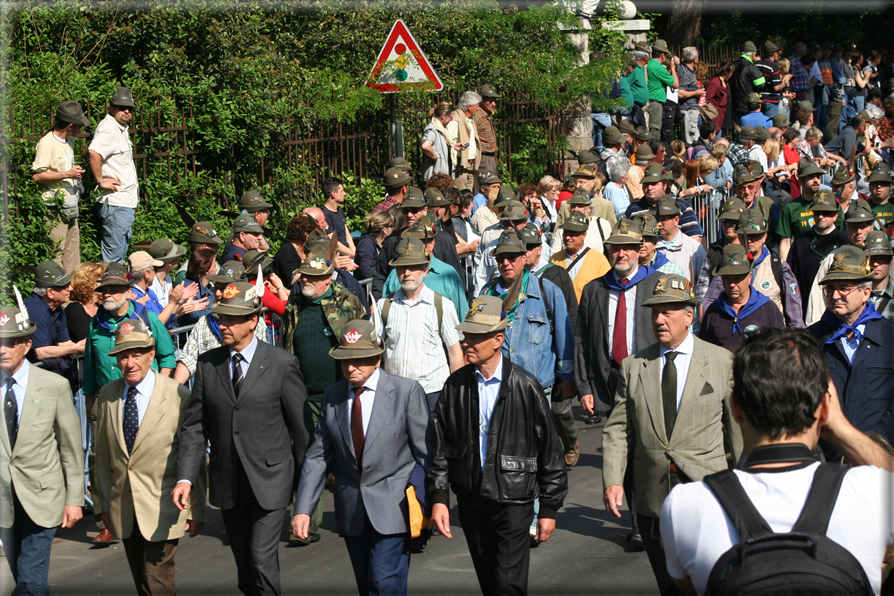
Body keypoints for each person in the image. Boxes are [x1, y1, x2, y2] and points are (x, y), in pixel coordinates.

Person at [661, 327, 894, 596]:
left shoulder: (685, 505)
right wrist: (840, 427)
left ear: (736, 408)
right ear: (824, 408)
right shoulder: (869, 492)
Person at [602, 274, 743, 596]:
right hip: (653, 498)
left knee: (713, 582)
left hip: (707, 490)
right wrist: (612, 479)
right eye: (655, 312)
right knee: (669, 584)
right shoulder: (634, 365)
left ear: (689, 315)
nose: (659, 319)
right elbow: (618, 429)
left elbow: (737, 431)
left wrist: (743, 485)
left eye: (667, 312)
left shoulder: (721, 362)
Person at [173, 281, 310, 596]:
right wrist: (185, 478)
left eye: (232, 319)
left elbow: (302, 434)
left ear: (253, 320)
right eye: (221, 317)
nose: (224, 325)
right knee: (245, 571)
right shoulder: (208, 365)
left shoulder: (281, 364)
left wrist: (305, 495)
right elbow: (195, 427)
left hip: (271, 481)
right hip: (229, 484)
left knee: (262, 559)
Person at [429, 295, 568, 595]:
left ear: (497, 339)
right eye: (465, 335)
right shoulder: (455, 387)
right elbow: (438, 447)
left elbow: (551, 454)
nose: (467, 343)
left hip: (514, 501)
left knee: (508, 584)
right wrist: (439, 496)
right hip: (471, 501)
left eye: (475, 337)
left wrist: (549, 508)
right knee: (490, 584)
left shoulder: (525, 386)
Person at [92, 318, 205, 595]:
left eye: (136, 354)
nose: (130, 363)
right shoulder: (107, 395)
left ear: (152, 354)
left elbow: (193, 454)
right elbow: (102, 456)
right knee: (143, 583)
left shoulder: (176, 394)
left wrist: (197, 507)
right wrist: (102, 506)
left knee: (157, 582)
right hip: (124, 509)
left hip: (164, 508)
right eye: (122, 356)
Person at [0, 303, 83, 595]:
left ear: (27, 344)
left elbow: (71, 450)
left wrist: (74, 499)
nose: (3, 349)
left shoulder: (53, 386)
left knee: (29, 581)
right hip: (5, 505)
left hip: (43, 500)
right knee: (25, 577)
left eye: (10, 342)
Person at [807, 245, 894, 458]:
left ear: (865, 293)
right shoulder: (810, 340)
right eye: (830, 289)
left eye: (844, 287)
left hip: (880, 460)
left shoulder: (889, 335)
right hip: (829, 462)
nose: (835, 296)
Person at [82, 263, 177, 440]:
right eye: (105, 290)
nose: (108, 294)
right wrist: (90, 406)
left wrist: (161, 389)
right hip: (108, 401)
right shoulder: (95, 324)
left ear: (127, 291)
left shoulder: (146, 317)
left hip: (145, 399)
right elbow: (89, 369)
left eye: (114, 290)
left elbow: (167, 356)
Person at [373, 236, 463, 411]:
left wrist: (456, 394)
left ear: (425, 271)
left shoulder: (443, 305)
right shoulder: (383, 306)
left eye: (413, 267)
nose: (407, 273)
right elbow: (374, 352)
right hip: (394, 393)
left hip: (432, 393)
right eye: (402, 268)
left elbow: (455, 353)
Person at [173, 261, 270, 385]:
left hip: (249, 389)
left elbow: (264, 359)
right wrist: (174, 388)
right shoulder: (204, 323)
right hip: (214, 390)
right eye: (216, 288)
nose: (218, 293)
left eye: (224, 289)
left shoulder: (254, 323)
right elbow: (189, 359)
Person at [31, 100, 89, 273]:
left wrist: (73, 173)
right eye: (78, 126)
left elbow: (62, 168)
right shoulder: (47, 143)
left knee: (72, 254)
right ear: (70, 125)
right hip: (54, 207)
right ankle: (57, 294)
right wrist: (67, 174)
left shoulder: (68, 140)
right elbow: (37, 175)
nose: (80, 130)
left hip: (69, 204)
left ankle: (72, 294)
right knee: (57, 253)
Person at [804, 199, 877, 325]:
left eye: (863, 226)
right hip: (840, 327)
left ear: (872, 226)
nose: (859, 232)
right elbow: (817, 300)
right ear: (846, 228)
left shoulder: (885, 258)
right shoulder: (834, 258)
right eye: (854, 227)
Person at [700, 244, 785, 352]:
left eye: (737, 278)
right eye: (727, 279)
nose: (732, 284)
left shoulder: (767, 309)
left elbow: (781, 350)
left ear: (749, 277)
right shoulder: (713, 312)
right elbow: (705, 353)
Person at [88, 86, 139, 263]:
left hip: (124, 203)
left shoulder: (120, 128)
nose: (126, 111)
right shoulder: (109, 129)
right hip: (116, 204)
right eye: (121, 107)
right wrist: (100, 180)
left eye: (130, 108)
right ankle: (109, 289)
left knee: (118, 255)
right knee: (113, 259)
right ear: (111, 108)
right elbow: (94, 152)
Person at [383, 216, 468, 322]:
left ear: (431, 244)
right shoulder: (395, 275)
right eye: (412, 242)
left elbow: (461, 316)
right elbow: (385, 314)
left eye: (420, 242)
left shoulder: (448, 274)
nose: (415, 247)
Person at [786, 188, 849, 311]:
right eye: (816, 212)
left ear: (835, 216)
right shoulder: (801, 242)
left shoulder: (845, 241)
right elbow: (791, 279)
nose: (821, 216)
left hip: (840, 305)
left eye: (826, 212)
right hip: (808, 306)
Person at [24, 261, 84, 383]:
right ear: (50, 293)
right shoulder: (34, 309)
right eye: (65, 286)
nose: (71, 288)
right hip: (32, 378)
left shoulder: (57, 308)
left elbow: (64, 343)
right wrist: (76, 348)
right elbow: (41, 352)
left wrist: (86, 345)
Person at [624, 164, 705, 241]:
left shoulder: (681, 206)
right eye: (646, 184)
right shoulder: (633, 208)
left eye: (654, 184)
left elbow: (694, 238)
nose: (649, 188)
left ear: (665, 185)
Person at [548, 211, 611, 301]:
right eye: (565, 233)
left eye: (572, 234)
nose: (567, 237)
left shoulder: (599, 260)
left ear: (584, 235)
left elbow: (606, 292)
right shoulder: (555, 259)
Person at [778, 158, 828, 261]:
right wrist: (784, 270)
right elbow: (785, 243)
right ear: (800, 180)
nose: (816, 180)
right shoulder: (790, 208)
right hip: (803, 259)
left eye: (818, 177)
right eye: (810, 177)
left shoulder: (830, 204)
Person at [634, 213, 687, 277]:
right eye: (637, 240)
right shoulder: (625, 269)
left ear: (655, 243)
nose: (641, 244)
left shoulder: (673, 271)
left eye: (646, 240)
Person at [645, 40, 679, 138]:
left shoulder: (650, 64)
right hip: (655, 104)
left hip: (650, 102)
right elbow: (675, 84)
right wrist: (673, 68)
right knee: (654, 132)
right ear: (663, 55)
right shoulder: (659, 68)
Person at [731, 42, 768, 124]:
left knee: (739, 130)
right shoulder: (751, 67)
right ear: (753, 53)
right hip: (748, 104)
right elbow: (761, 85)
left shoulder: (733, 64)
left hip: (735, 103)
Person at [452, 91, 482, 192]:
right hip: (461, 164)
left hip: (471, 164)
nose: (478, 108)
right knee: (462, 195)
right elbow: (448, 141)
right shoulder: (456, 121)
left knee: (468, 195)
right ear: (469, 107)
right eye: (477, 106)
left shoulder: (470, 121)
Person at [421, 101, 459, 181]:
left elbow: (440, 148)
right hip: (436, 179)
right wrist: (434, 156)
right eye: (450, 117)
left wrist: (453, 148)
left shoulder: (443, 129)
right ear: (444, 115)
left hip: (443, 178)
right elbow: (425, 145)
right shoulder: (432, 129)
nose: (451, 120)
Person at [147, 238, 187, 311]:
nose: (179, 259)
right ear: (169, 263)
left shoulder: (167, 278)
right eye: (176, 257)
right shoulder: (151, 284)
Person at [322, 177, 356, 259]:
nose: (345, 194)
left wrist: (353, 250)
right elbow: (332, 241)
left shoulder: (339, 210)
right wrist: (349, 252)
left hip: (349, 255)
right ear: (334, 193)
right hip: (339, 258)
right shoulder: (324, 214)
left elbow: (346, 233)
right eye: (342, 191)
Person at [354, 211, 394, 281]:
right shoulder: (366, 243)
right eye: (391, 226)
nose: (393, 229)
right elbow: (366, 272)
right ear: (384, 230)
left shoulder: (382, 244)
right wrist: (386, 271)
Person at [865, 229, 894, 320]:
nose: (875, 264)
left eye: (881, 258)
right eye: (871, 258)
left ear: (891, 261)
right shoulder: (856, 294)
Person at [473, 84, 500, 177]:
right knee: (486, 186)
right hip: (483, 157)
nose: (494, 104)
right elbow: (471, 137)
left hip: (489, 157)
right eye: (490, 101)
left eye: (495, 101)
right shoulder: (478, 116)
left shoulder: (486, 115)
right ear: (482, 101)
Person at [705, 61, 734, 134]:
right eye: (731, 72)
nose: (732, 74)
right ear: (727, 72)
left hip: (724, 116)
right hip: (717, 116)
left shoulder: (725, 82)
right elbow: (708, 98)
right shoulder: (715, 82)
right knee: (717, 138)